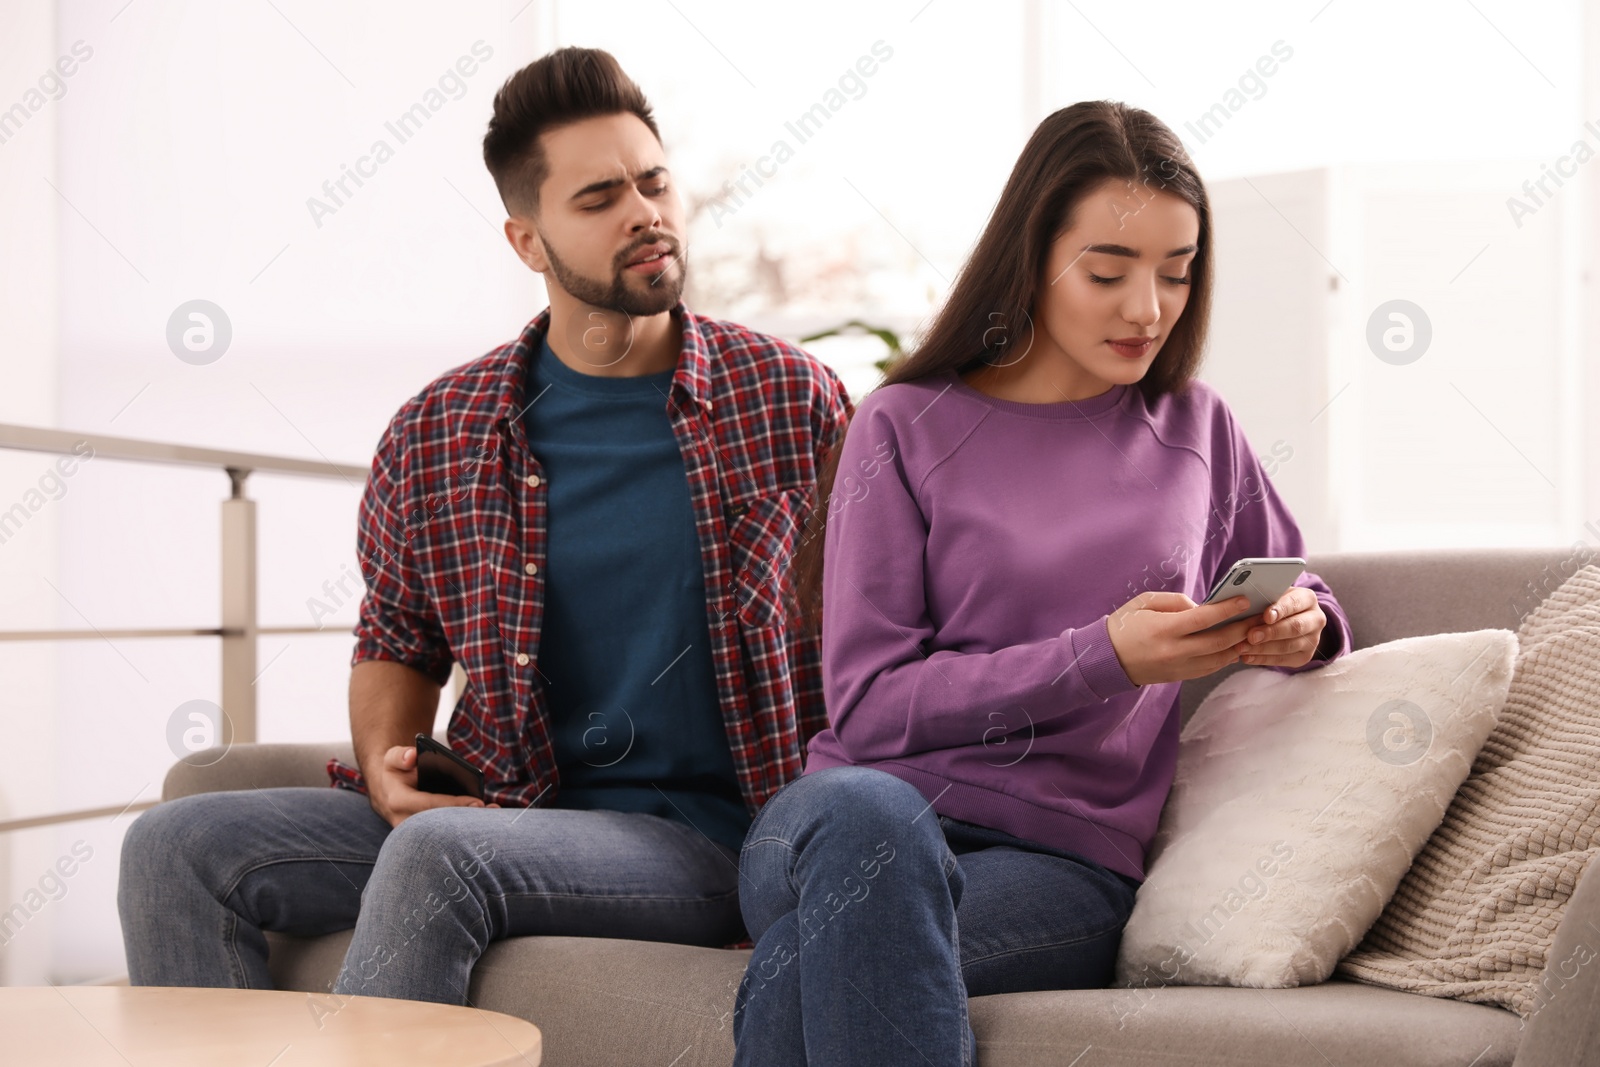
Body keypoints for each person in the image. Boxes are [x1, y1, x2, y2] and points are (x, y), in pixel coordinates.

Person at [117, 46, 852, 1005]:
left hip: (711, 836)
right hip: (505, 802)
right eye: (597, 199)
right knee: (173, 846)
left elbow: (878, 621)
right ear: (527, 240)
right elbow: (398, 632)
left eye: (654, 183)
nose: (644, 213)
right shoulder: (439, 431)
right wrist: (389, 774)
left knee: (442, 853)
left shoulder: (788, 398)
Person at [728, 100, 1353, 1066]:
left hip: (1061, 862)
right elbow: (870, 702)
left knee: (799, 972)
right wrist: (1100, 657)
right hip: (845, 820)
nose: (1147, 307)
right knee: (874, 819)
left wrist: (1303, 625)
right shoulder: (901, 425)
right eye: (1108, 271)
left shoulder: (1195, 427)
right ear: (1032, 255)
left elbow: (1298, 581)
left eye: (1177, 273)